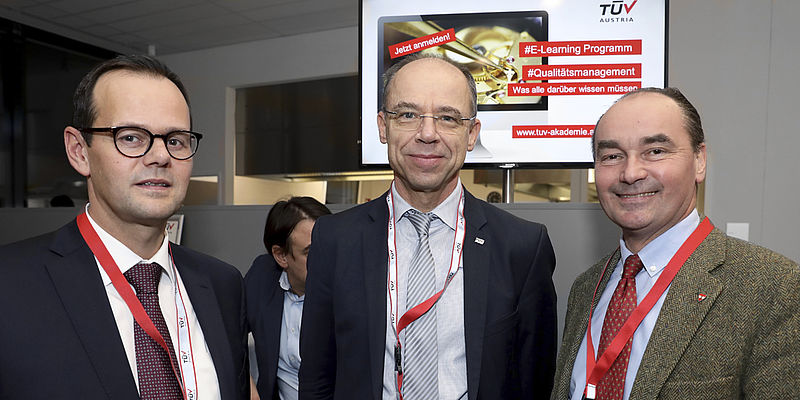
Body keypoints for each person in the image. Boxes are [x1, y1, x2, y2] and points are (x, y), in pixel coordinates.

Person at [299, 53, 558, 399]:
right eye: (407, 114)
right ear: (382, 126)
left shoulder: (522, 246)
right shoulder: (335, 239)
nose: (427, 133)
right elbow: (318, 376)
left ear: (471, 134)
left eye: (448, 117)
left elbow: (534, 382)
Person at [0, 55, 249, 399]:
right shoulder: (10, 285)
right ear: (79, 151)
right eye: (131, 137)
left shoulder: (223, 286)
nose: (160, 156)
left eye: (175, 140)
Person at [551, 87, 800, 400]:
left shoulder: (772, 288)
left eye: (655, 151)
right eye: (612, 156)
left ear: (699, 161)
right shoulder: (586, 287)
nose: (630, 173)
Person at [245, 197, 331, 400]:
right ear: (281, 256)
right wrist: (248, 388)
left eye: (329, 247)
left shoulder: (348, 291)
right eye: (311, 252)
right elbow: (227, 332)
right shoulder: (264, 275)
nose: (327, 259)